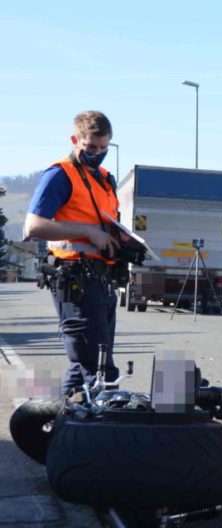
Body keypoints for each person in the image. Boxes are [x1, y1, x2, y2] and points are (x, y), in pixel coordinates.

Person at [24, 111, 121, 396]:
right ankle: (107, 434)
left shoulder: (105, 179)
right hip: (74, 277)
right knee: (99, 368)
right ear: (75, 140)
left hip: (101, 277)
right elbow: (34, 226)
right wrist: (88, 232)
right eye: (91, 147)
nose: (97, 154)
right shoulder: (59, 175)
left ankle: (50, 428)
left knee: (84, 367)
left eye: (103, 148)